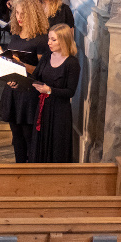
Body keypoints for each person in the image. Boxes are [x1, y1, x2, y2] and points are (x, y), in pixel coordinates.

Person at [0, 0, 50, 163]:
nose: (19, 17)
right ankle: (19, 167)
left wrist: (21, 64)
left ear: (33, 14)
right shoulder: (16, 35)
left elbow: (43, 71)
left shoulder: (41, 39)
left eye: (23, 14)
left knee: (29, 136)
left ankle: (31, 170)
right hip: (13, 91)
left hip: (29, 94)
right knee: (16, 135)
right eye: (17, 13)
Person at [28, 24, 80, 163]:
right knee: (40, 143)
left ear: (64, 40)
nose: (49, 43)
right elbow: (35, 77)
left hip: (60, 112)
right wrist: (19, 80)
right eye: (49, 39)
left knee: (57, 146)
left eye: (53, 40)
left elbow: (70, 92)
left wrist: (50, 90)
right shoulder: (46, 57)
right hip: (43, 107)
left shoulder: (72, 63)